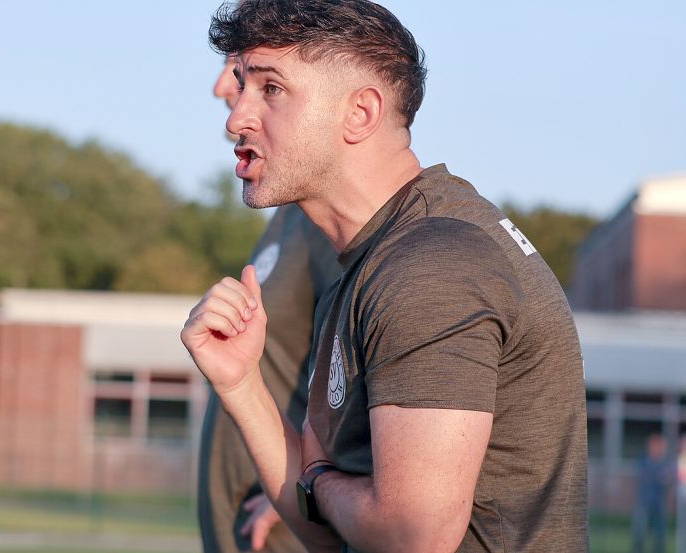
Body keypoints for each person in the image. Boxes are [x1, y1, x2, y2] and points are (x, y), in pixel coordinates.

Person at [181, 1, 588, 551]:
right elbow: (335, 538)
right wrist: (241, 384)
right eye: (241, 86)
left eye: (271, 88)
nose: (236, 118)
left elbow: (412, 536)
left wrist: (319, 480)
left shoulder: (431, 262)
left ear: (361, 112)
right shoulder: (370, 261)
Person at [197, 54, 340, 553]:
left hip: (288, 533)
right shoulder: (288, 215)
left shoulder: (332, 222)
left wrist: (313, 491)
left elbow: (374, 367)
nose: (221, 88)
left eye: (238, 69)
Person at [633, 434, 670, 553]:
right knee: (640, 531)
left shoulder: (665, 462)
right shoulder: (644, 461)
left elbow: (666, 479)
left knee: (660, 533)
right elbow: (644, 477)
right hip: (644, 501)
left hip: (659, 502)